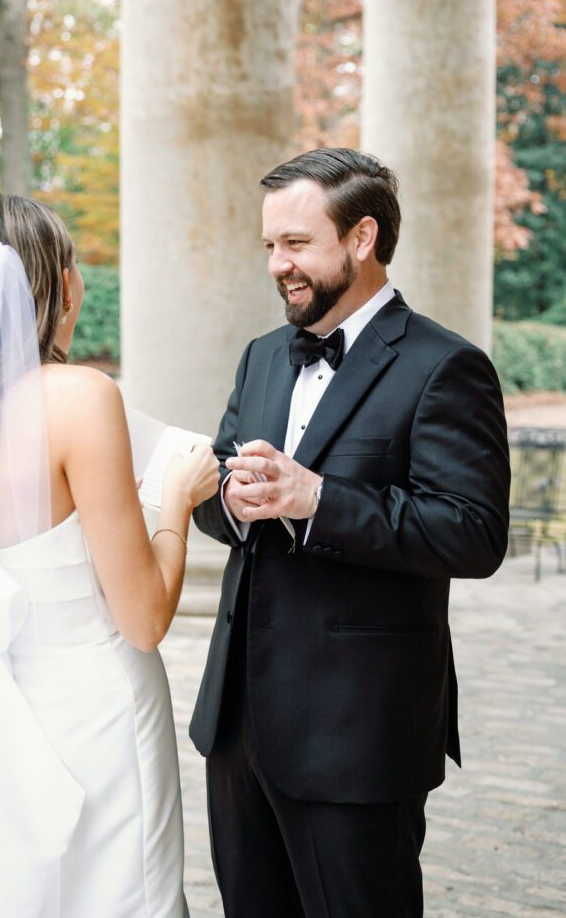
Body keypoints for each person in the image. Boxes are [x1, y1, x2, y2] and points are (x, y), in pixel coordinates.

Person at [189, 148, 511, 917]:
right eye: (270, 246)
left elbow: (471, 533)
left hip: (356, 735)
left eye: (296, 244)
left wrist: (317, 499)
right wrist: (232, 501)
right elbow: (214, 495)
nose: (277, 265)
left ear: (361, 238)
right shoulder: (262, 357)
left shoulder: (444, 366)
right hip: (238, 731)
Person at [0, 194, 219, 918]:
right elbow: (144, 619)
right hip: (95, 710)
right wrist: (177, 502)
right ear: (63, 286)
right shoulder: (79, 397)